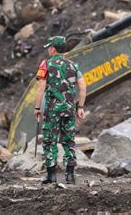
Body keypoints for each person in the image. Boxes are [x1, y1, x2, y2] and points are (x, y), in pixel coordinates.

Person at [34, 36, 86, 184]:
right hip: (69, 109)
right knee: (69, 141)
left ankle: (52, 175)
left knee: (49, 141)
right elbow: (83, 87)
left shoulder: (46, 64)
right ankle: (70, 175)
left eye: (49, 48)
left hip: (52, 110)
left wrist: (37, 108)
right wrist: (80, 107)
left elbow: (40, 88)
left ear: (53, 49)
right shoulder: (73, 65)